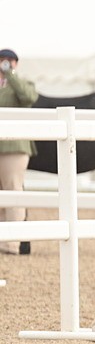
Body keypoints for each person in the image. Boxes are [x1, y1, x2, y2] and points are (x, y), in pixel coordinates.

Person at [0, 48, 38, 255]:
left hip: (14, 147)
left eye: (9, 60)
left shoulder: (21, 84)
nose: (5, 63)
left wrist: (11, 75)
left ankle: (12, 242)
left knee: (13, 190)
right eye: (2, 60)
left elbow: (28, 97)